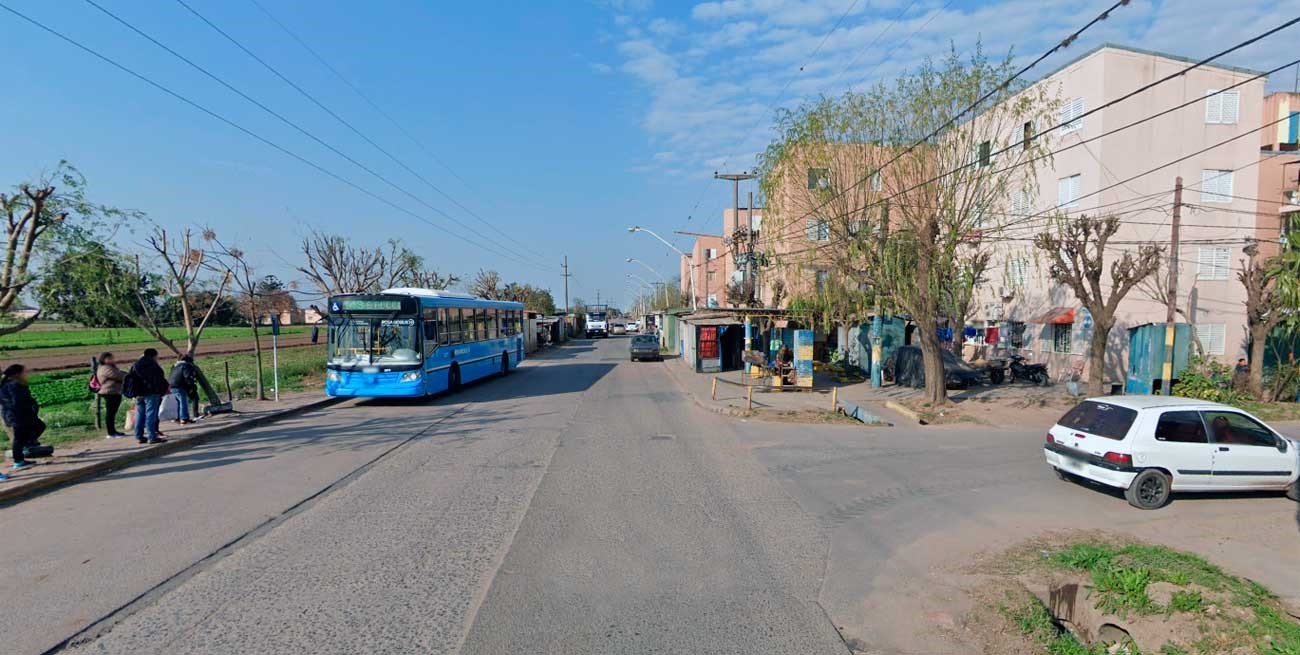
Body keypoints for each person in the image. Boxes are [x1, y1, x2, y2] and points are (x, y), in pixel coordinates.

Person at [0, 364, 43, 471]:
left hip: (20, 415)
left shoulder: (14, 384)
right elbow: (17, 402)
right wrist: (29, 405)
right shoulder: (12, 385)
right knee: (19, 438)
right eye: (25, 371)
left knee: (39, 427)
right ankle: (18, 461)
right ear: (17, 374)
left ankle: (26, 446)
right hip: (17, 415)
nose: (27, 373)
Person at [129, 348, 169, 445]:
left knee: (140, 414)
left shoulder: (135, 365)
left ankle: (139, 436)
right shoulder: (153, 366)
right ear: (154, 356)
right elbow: (159, 379)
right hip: (151, 393)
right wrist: (163, 390)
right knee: (151, 414)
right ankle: (152, 436)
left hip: (138, 393)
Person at [96, 352, 128, 438]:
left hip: (114, 392)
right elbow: (118, 375)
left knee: (112, 413)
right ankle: (110, 432)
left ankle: (113, 431)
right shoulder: (105, 368)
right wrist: (127, 375)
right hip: (109, 392)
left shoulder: (111, 367)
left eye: (112, 358)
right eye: (109, 358)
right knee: (110, 413)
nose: (112, 360)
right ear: (103, 359)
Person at [168, 355, 198, 425]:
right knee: (183, 403)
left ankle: (177, 418)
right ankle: (184, 419)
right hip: (180, 386)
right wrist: (190, 387)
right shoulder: (186, 366)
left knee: (177, 403)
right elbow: (187, 377)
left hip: (171, 386)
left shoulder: (175, 366)